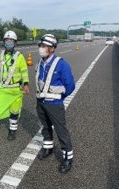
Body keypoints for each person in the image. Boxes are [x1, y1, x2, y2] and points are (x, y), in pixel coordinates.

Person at [35, 34, 75, 173]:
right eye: (41, 45)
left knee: (61, 131)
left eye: (44, 46)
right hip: (40, 102)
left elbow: (70, 86)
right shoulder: (40, 62)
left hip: (54, 103)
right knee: (45, 127)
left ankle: (68, 158)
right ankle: (48, 148)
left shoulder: (62, 64)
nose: (41, 48)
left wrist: (58, 98)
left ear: (52, 48)